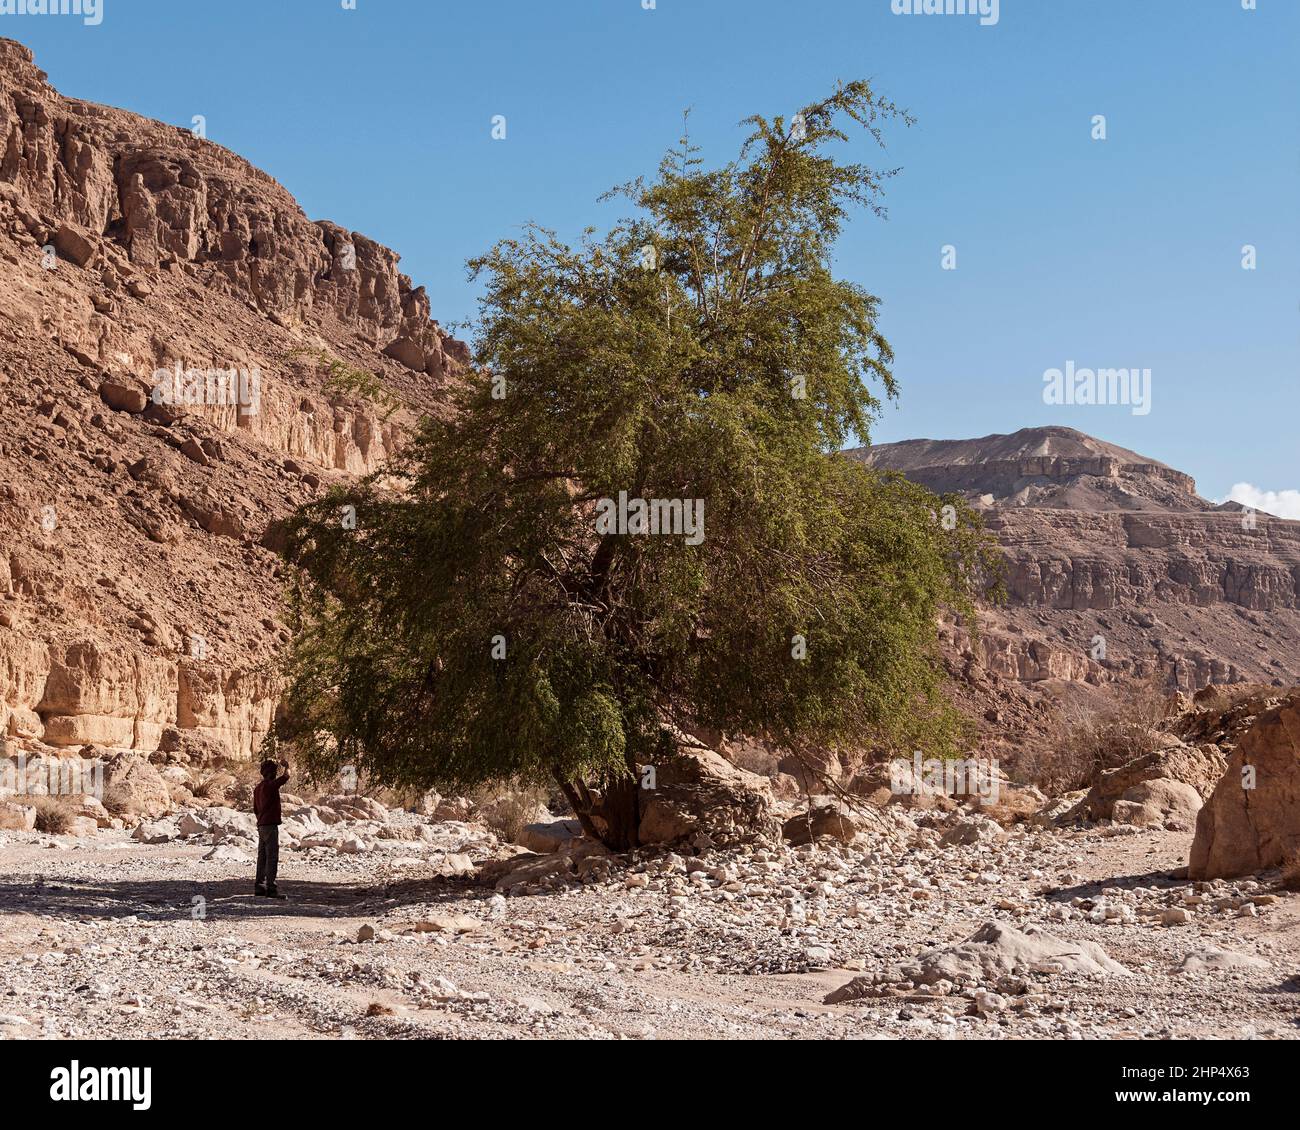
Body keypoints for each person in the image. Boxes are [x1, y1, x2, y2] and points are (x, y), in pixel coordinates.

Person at [253, 758, 290, 898]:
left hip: (261, 825)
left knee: (262, 857)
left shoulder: (257, 789)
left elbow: (255, 809)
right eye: (274, 771)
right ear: (272, 773)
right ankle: (271, 888)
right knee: (272, 857)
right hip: (270, 825)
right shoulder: (271, 786)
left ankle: (259, 886)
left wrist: (261, 820)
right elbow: (286, 777)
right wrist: (287, 766)